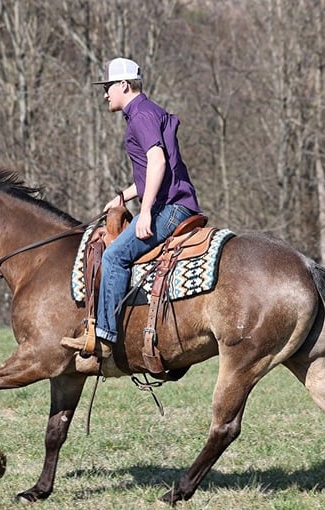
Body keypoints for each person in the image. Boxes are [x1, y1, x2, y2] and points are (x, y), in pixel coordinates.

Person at [62, 57, 202, 359]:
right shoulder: (149, 112)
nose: (105, 94)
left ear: (125, 85)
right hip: (176, 203)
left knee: (113, 256)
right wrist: (124, 197)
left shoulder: (140, 116)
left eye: (109, 86)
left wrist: (147, 211)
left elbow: (157, 161)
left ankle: (103, 338)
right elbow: (152, 171)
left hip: (170, 208)